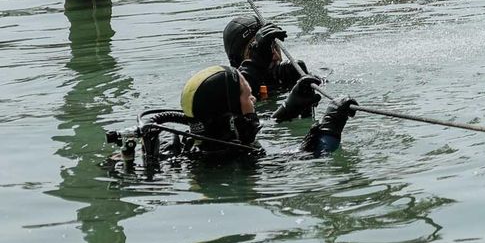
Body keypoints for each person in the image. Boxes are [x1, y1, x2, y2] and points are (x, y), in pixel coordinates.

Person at [112, 65, 356, 164]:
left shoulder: (201, 143)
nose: (253, 99)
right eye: (248, 96)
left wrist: (289, 108)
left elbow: (251, 131)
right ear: (230, 115)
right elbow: (312, 157)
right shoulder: (235, 159)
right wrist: (330, 128)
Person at [223, 14, 309, 99]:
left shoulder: (288, 75)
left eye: (275, 46)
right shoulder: (229, 94)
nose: (275, 57)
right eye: (258, 52)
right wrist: (256, 65)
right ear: (236, 62)